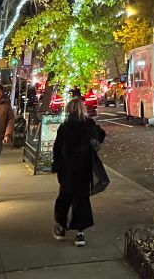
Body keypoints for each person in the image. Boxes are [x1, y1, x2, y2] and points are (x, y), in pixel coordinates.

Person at [51, 97, 105, 247]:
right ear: (82, 109)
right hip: (84, 166)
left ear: (69, 110)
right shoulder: (89, 125)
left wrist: (56, 165)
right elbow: (101, 135)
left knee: (65, 196)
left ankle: (61, 225)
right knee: (81, 199)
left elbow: (57, 148)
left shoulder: (65, 126)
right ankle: (80, 233)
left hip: (67, 168)